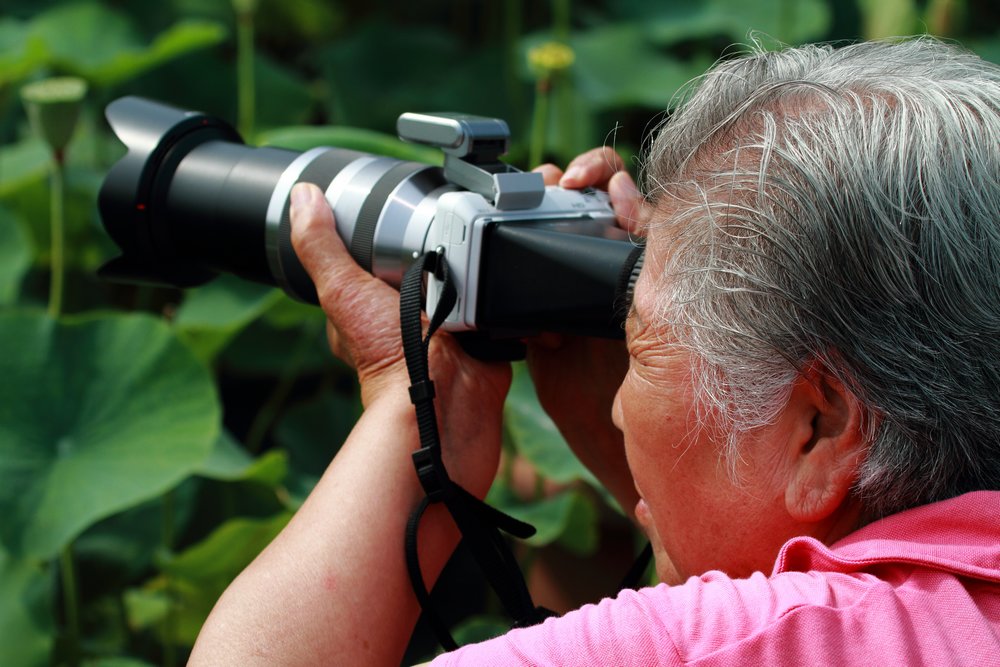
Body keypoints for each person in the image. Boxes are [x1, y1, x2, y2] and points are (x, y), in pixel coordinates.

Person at [189, 37, 1000, 665]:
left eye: (640, 343)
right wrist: (657, 474)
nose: (614, 400)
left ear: (821, 427)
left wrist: (414, 401)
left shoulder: (729, 642)